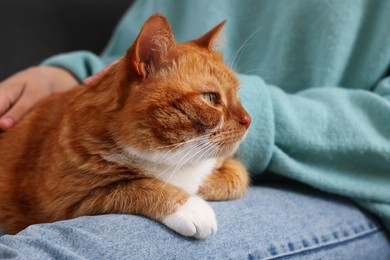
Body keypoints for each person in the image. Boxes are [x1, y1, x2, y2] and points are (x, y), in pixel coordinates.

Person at [0, 0, 390, 258]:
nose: (246, 117)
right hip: (136, 130)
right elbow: (139, 60)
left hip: (348, 187)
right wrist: (70, 73)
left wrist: (257, 117)